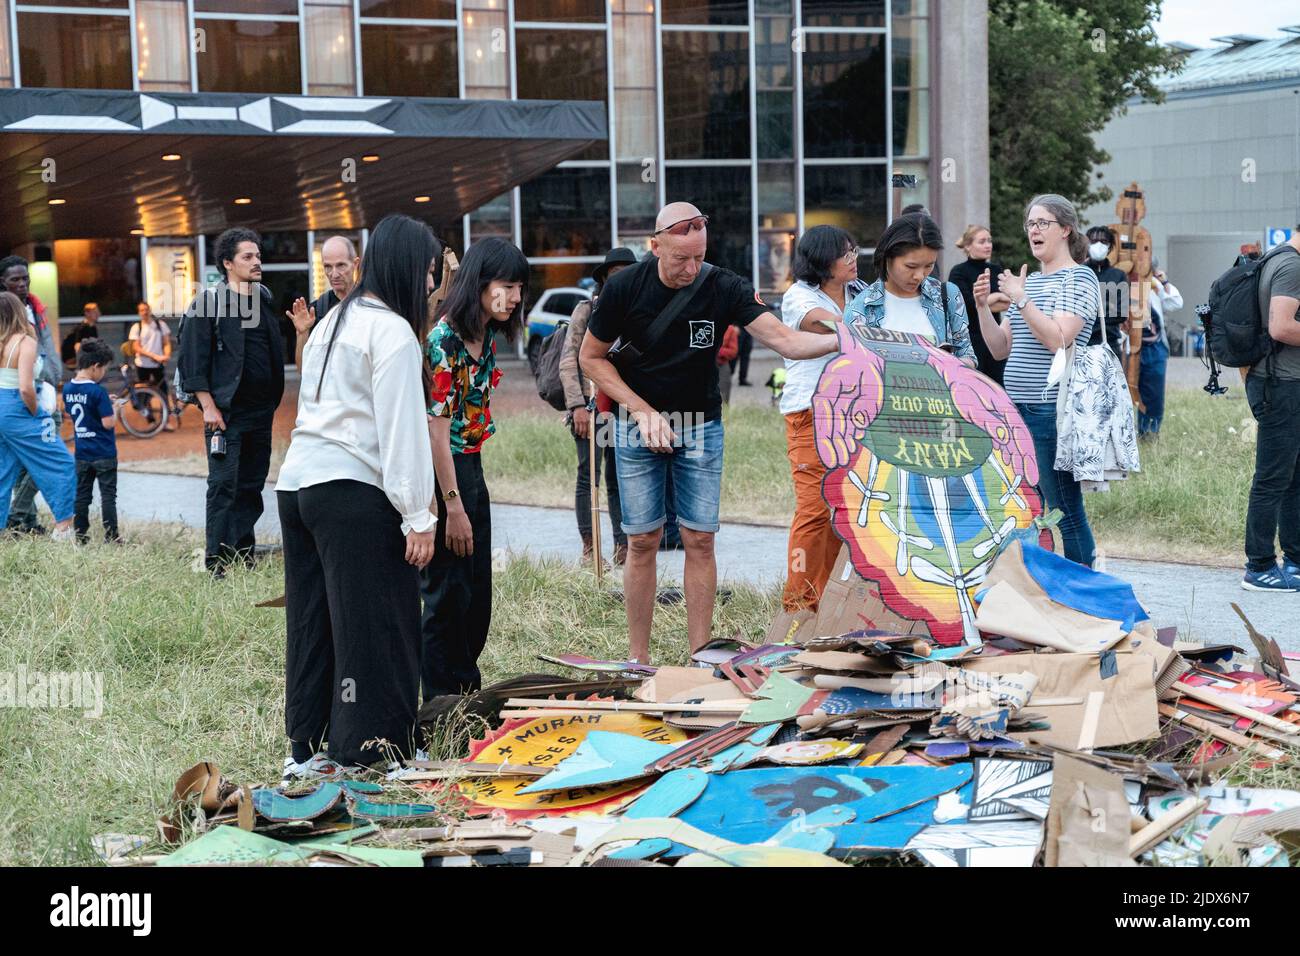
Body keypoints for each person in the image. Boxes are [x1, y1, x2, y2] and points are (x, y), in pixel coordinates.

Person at [579, 201, 840, 663]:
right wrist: (641, 411)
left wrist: (846, 340)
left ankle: (700, 653)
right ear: (655, 245)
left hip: (701, 426)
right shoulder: (623, 288)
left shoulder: (723, 285)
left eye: (699, 257)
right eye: (681, 258)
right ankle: (638, 659)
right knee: (642, 540)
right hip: (637, 426)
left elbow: (787, 341)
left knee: (700, 538)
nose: (691, 268)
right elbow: (590, 358)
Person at [276, 214, 438, 779]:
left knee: (314, 621)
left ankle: (307, 746)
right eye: (427, 274)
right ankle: (375, 749)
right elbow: (401, 430)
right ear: (406, 268)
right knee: (375, 622)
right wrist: (420, 515)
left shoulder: (329, 323)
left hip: (298, 486)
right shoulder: (389, 330)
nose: (430, 286)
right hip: (349, 490)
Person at [421, 236, 527, 698]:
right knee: (446, 595)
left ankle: (466, 691)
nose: (516, 297)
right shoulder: (443, 341)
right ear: (481, 284)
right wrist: (453, 506)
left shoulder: (484, 338)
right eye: (508, 285)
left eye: (521, 286)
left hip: (472, 467)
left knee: (476, 594)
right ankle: (440, 705)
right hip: (444, 474)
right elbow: (435, 434)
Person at [972, 194, 1102, 567]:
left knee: (1064, 507)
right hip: (1014, 410)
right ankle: (1038, 590)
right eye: (1030, 223)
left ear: (1065, 229)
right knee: (1026, 507)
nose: (1034, 230)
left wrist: (1021, 298)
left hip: (1050, 411)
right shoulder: (1028, 282)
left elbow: (1057, 338)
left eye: (1043, 223)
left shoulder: (1080, 278)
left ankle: (1082, 591)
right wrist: (983, 308)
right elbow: (999, 349)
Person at [179, 227, 285, 577]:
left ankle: (243, 551)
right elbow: (193, 362)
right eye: (247, 257)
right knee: (223, 484)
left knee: (252, 484)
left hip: (260, 412)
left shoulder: (264, 299)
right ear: (228, 263)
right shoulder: (206, 304)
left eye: (258, 255)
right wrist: (209, 407)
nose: (257, 262)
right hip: (224, 415)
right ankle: (215, 561)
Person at [779, 225, 867, 611]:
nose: (853, 258)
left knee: (845, 511)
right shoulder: (798, 297)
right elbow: (828, 325)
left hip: (857, 414)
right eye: (844, 252)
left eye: (854, 249)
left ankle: (827, 602)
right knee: (814, 511)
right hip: (811, 414)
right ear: (821, 261)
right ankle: (798, 605)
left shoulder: (862, 294)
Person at [559, 247, 634, 566]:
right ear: (604, 279)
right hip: (589, 407)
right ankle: (590, 547)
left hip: (625, 409)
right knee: (588, 476)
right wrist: (577, 406)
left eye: (626, 274)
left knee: (620, 478)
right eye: (615, 275)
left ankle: (622, 546)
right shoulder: (587, 310)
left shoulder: (638, 310)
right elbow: (568, 359)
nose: (621, 280)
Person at [1242, 230, 1300, 592]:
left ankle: (1294, 560)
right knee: (1272, 478)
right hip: (1281, 386)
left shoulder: (1280, 259)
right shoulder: (1291, 266)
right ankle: (1259, 565)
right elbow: (1281, 326)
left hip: (1284, 383)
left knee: (1293, 477)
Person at [845, 213, 977, 366]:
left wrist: (948, 365)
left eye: (929, 265)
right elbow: (855, 370)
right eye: (911, 266)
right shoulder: (861, 309)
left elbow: (968, 355)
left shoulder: (947, 295)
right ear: (887, 257)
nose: (919, 276)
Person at [0, 291, 75, 541]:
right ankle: (64, 529)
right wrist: (35, 413)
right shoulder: (25, 342)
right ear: (19, 312)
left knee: (3, 472)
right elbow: (25, 387)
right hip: (17, 407)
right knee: (61, 462)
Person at [62, 338, 120, 544]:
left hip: (82, 453)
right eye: (104, 368)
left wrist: (103, 404)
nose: (104, 373)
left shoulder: (68, 389)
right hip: (104, 452)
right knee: (108, 496)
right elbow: (108, 423)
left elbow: (72, 413)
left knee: (82, 496)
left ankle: (80, 535)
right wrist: (114, 409)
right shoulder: (97, 391)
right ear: (95, 367)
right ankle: (112, 536)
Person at [948, 225, 1011, 382]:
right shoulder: (959, 272)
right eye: (982, 241)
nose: (988, 245)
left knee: (998, 387)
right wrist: (991, 299)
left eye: (989, 241)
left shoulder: (995, 269)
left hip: (994, 340)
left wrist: (984, 302)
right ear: (968, 246)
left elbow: (1009, 302)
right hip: (971, 340)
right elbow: (966, 304)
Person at [287, 235, 361, 369]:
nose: (334, 274)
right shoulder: (316, 311)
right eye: (328, 267)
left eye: (341, 265)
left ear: (355, 264)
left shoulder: (370, 303)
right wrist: (302, 333)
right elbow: (303, 369)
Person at [1135, 259, 1181, 438]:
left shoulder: (1154, 286)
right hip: (1130, 346)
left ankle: (1149, 433)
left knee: (1154, 394)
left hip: (1155, 346)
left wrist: (1164, 282)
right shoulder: (1120, 283)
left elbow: (1175, 303)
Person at [129, 301, 175, 428]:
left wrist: (166, 355)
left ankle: (165, 421)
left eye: (146, 309)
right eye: (142, 310)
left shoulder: (161, 325)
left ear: (150, 310)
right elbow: (136, 347)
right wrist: (154, 356)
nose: (145, 312)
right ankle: (151, 421)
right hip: (142, 365)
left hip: (157, 366)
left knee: (164, 392)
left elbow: (166, 343)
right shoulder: (136, 327)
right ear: (139, 313)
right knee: (145, 394)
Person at [1083, 226, 1127, 356]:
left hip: (1110, 344)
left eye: (1103, 242)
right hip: (1082, 346)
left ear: (1110, 246)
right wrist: (1108, 306)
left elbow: (1121, 313)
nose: (1099, 245)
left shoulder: (1119, 275)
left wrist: (1092, 312)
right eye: (1094, 241)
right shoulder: (1078, 272)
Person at [61, 303, 101, 371]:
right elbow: (77, 345)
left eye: (98, 312)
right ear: (87, 314)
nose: (98, 314)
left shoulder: (93, 328)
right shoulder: (82, 328)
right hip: (73, 358)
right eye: (95, 312)